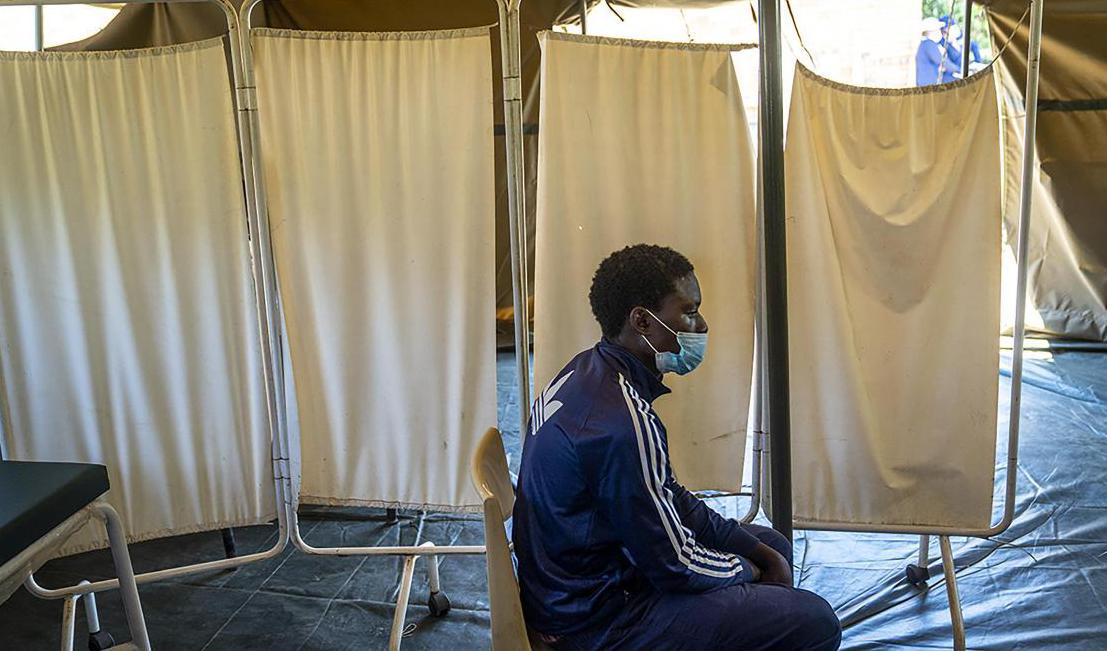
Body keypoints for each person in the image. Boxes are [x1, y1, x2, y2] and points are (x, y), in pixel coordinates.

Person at [512, 244, 842, 650]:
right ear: (642, 321)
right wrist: (748, 570)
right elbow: (673, 564)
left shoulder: (587, 370)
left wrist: (754, 552)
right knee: (815, 622)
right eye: (689, 311)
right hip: (594, 621)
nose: (701, 325)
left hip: (569, 587)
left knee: (773, 546)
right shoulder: (620, 423)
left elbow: (666, 494)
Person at [916, 17, 953, 86]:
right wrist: (960, 70)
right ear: (931, 31)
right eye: (938, 30)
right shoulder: (928, 44)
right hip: (928, 85)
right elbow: (943, 61)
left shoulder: (926, 44)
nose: (939, 32)